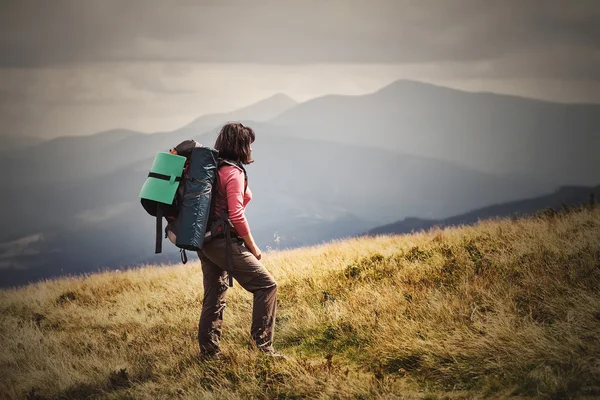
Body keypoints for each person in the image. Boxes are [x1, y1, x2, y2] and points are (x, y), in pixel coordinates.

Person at [196, 122, 284, 360]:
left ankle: (209, 354)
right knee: (266, 285)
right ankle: (262, 349)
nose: (252, 150)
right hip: (222, 242)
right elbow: (236, 214)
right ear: (240, 146)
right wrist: (253, 247)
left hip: (204, 241)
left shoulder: (214, 168)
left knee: (214, 295)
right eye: (249, 145)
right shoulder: (233, 173)